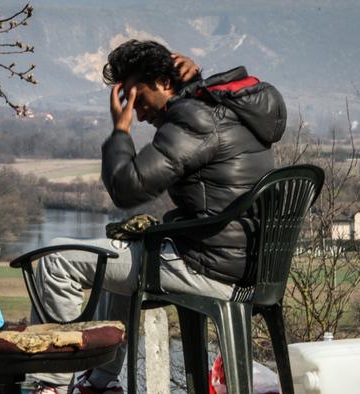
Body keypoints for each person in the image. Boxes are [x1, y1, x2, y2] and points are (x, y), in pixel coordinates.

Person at [31, 40, 281, 394]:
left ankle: (50, 386)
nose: (138, 110)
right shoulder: (228, 110)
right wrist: (189, 86)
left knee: (56, 259)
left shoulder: (194, 119)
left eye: (138, 97)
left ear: (165, 82)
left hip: (210, 267)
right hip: (240, 263)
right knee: (119, 253)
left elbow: (127, 188)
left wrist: (120, 130)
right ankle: (99, 382)